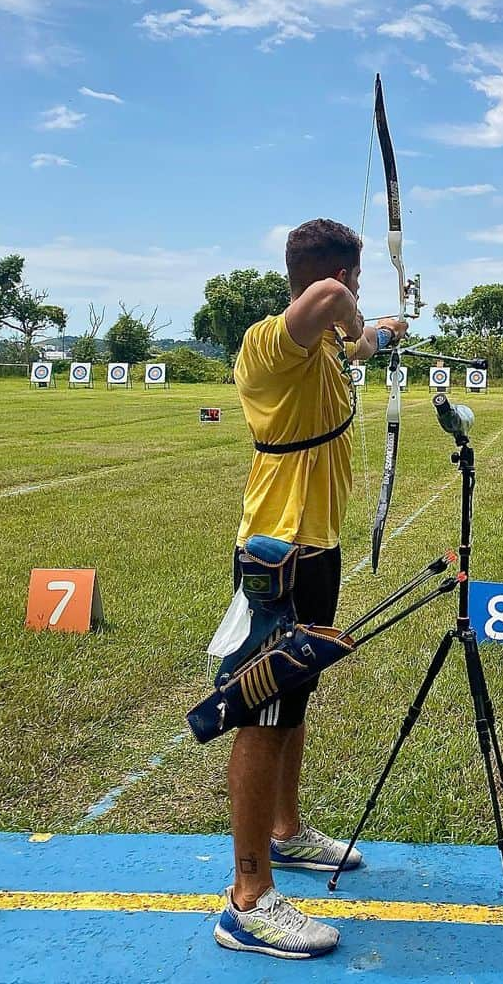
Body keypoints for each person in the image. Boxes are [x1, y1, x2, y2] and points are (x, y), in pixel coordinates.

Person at [213, 219, 408, 960]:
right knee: (262, 713)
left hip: (315, 548)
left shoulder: (322, 344)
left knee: (292, 701)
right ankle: (248, 898)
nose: (350, 293)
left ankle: (286, 834)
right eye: (354, 279)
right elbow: (330, 301)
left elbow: (358, 338)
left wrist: (383, 332)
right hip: (280, 552)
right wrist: (357, 311)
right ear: (338, 276)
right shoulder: (272, 341)